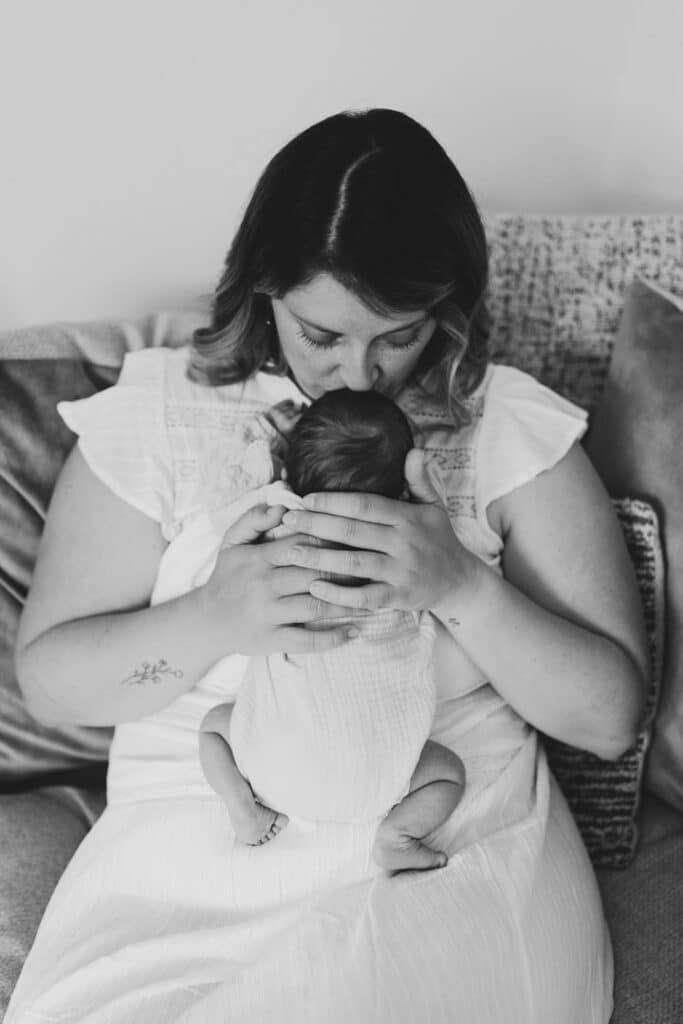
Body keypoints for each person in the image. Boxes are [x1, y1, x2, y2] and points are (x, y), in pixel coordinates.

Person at [8, 108, 648, 1024]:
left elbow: (606, 719)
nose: (358, 374)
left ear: (448, 309)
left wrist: (460, 586)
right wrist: (214, 618)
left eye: (398, 336)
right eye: (322, 335)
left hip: (444, 829)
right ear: (259, 292)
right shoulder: (159, 411)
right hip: (206, 834)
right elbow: (55, 685)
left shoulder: (505, 427)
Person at [195, 388, 465, 869]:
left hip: (268, 771)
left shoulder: (279, 534)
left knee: (214, 728)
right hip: (379, 785)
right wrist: (426, 495)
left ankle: (243, 809)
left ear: (293, 479)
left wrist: (273, 454)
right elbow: (437, 524)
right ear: (405, 487)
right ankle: (397, 835)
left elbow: (226, 491)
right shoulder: (412, 555)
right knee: (448, 773)